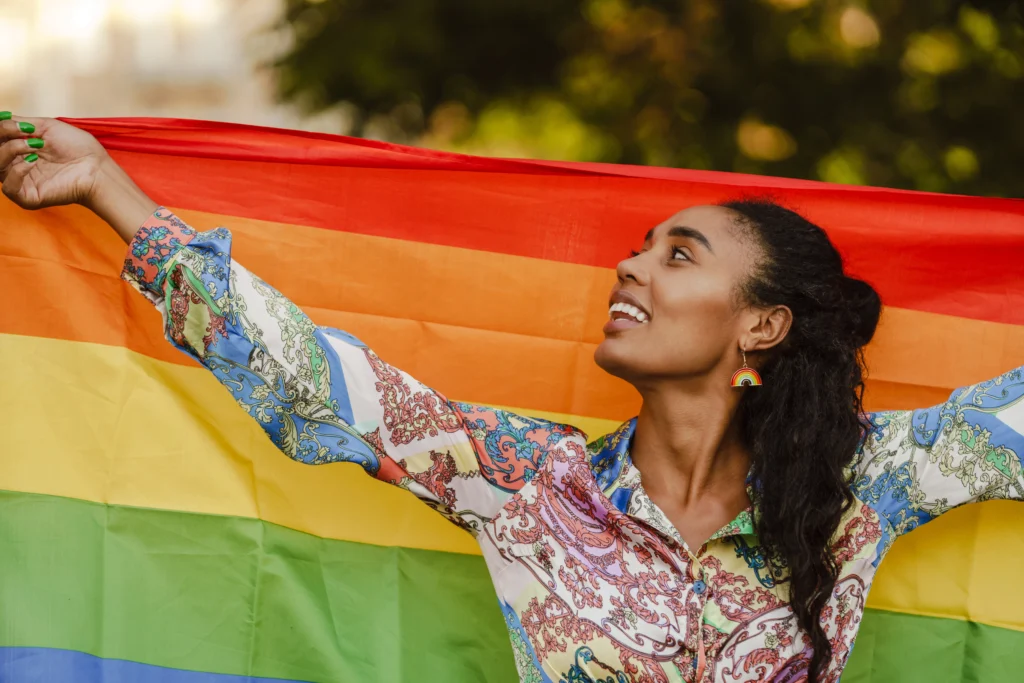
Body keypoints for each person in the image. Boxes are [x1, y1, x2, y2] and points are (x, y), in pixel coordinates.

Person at [1, 114, 1021, 683]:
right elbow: (312, 382)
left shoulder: (864, 480)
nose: (627, 269)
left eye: (677, 252)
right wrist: (111, 193)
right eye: (635, 248)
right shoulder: (529, 480)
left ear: (760, 325)